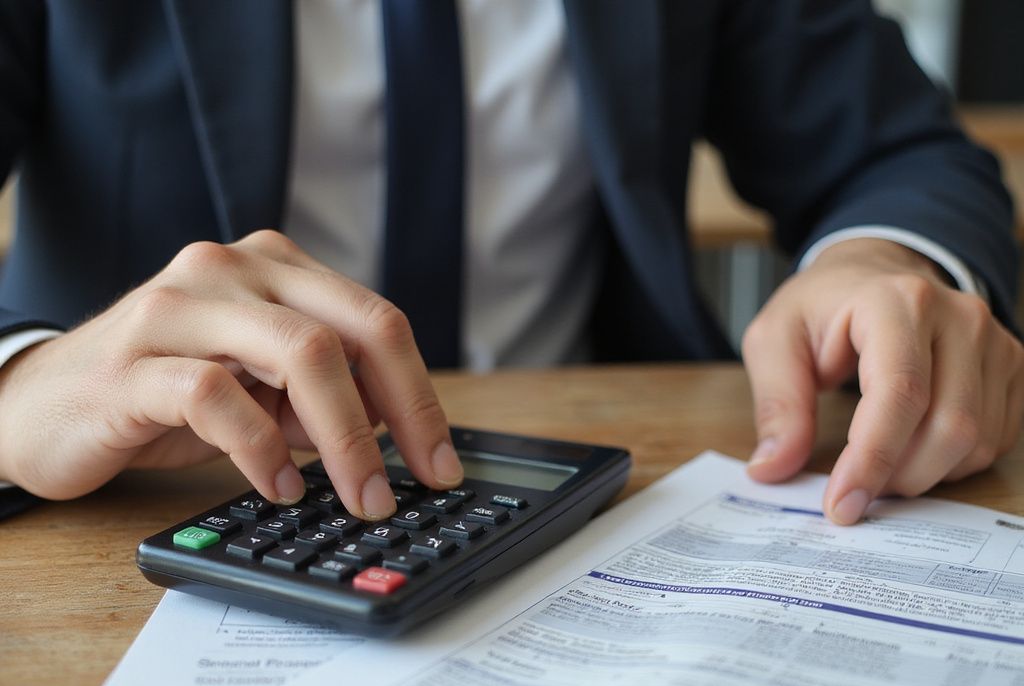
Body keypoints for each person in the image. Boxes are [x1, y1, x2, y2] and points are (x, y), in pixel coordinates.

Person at [0, 0, 1019, 526]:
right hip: (162, 511)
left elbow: (899, 150)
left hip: (601, 495)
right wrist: (24, 382)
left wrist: (885, 260)